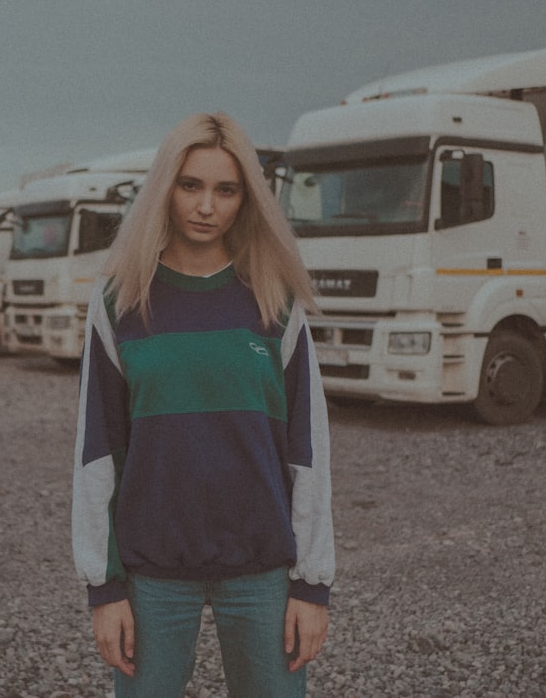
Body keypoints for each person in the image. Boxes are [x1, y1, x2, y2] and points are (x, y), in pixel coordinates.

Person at [72, 112, 335, 697]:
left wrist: (312, 586)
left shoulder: (275, 297)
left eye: (226, 189)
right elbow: (96, 449)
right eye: (190, 185)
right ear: (165, 188)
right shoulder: (120, 300)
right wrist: (105, 588)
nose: (206, 206)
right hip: (153, 575)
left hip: (263, 571)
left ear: (247, 199)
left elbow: (308, 449)